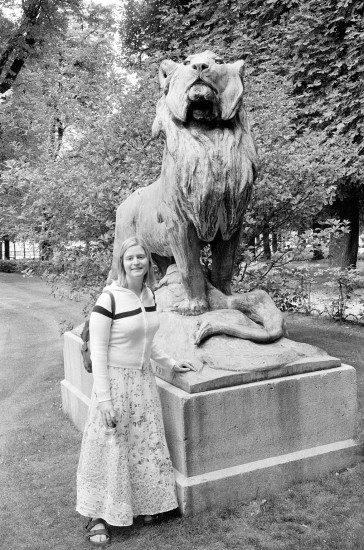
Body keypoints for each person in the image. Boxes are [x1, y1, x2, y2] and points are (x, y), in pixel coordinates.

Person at [76, 236, 196, 546]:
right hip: (115, 383)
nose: (136, 262)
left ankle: (145, 506)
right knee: (110, 446)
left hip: (143, 383)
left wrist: (170, 364)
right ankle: (98, 515)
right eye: (130, 257)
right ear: (121, 263)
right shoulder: (109, 300)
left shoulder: (148, 295)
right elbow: (99, 352)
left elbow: (147, 340)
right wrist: (104, 400)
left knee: (142, 446)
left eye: (141, 256)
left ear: (148, 262)